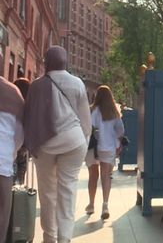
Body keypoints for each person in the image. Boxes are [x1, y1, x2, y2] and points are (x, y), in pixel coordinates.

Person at [23, 46, 91, 243]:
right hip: (73, 141)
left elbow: (30, 116)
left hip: (44, 143)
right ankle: (65, 238)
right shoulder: (77, 83)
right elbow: (86, 121)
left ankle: (49, 238)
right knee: (68, 190)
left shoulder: (36, 85)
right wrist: (83, 142)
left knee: (48, 193)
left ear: (47, 61)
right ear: (65, 61)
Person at [85, 85, 125, 220]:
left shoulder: (91, 110)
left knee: (93, 175)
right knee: (106, 175)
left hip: (92, 147)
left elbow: (87, 128)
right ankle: (105, 205)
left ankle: (91, 204)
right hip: (109, 146)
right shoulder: (114, 112)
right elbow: (120, 131)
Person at [0, 76, 25, 240]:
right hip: (3, 162)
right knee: (2, 217)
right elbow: (19, 135)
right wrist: (12, 154)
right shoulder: (14, 93)